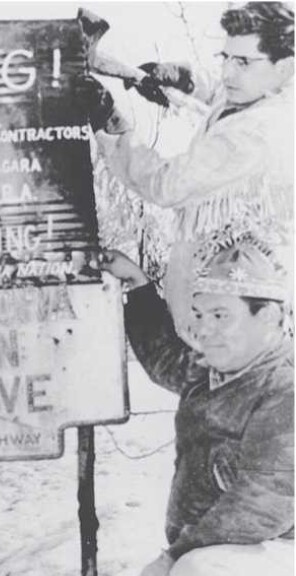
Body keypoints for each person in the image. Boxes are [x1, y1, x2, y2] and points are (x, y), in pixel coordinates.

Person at [98, 235, 293, 576]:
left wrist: (170, 561)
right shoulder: (213, 371)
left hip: (275, 557)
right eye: (200, 315)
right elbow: (165, 356)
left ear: (269, 317)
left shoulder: (287, 389)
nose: (204, 329)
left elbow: (263, 502)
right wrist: (138, 287)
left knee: (200, 574)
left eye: (220, 316)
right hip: (248, 572)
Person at [93, 1, 294, 342]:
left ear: (285, 66)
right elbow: (220, 95)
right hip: (227, 305)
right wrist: (181, 80)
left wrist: (111, 125)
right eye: (225, 58)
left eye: (243, 61)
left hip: (239, 326)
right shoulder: (264, 95)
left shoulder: (259, 133)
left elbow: (164, 185)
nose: (228, 72)